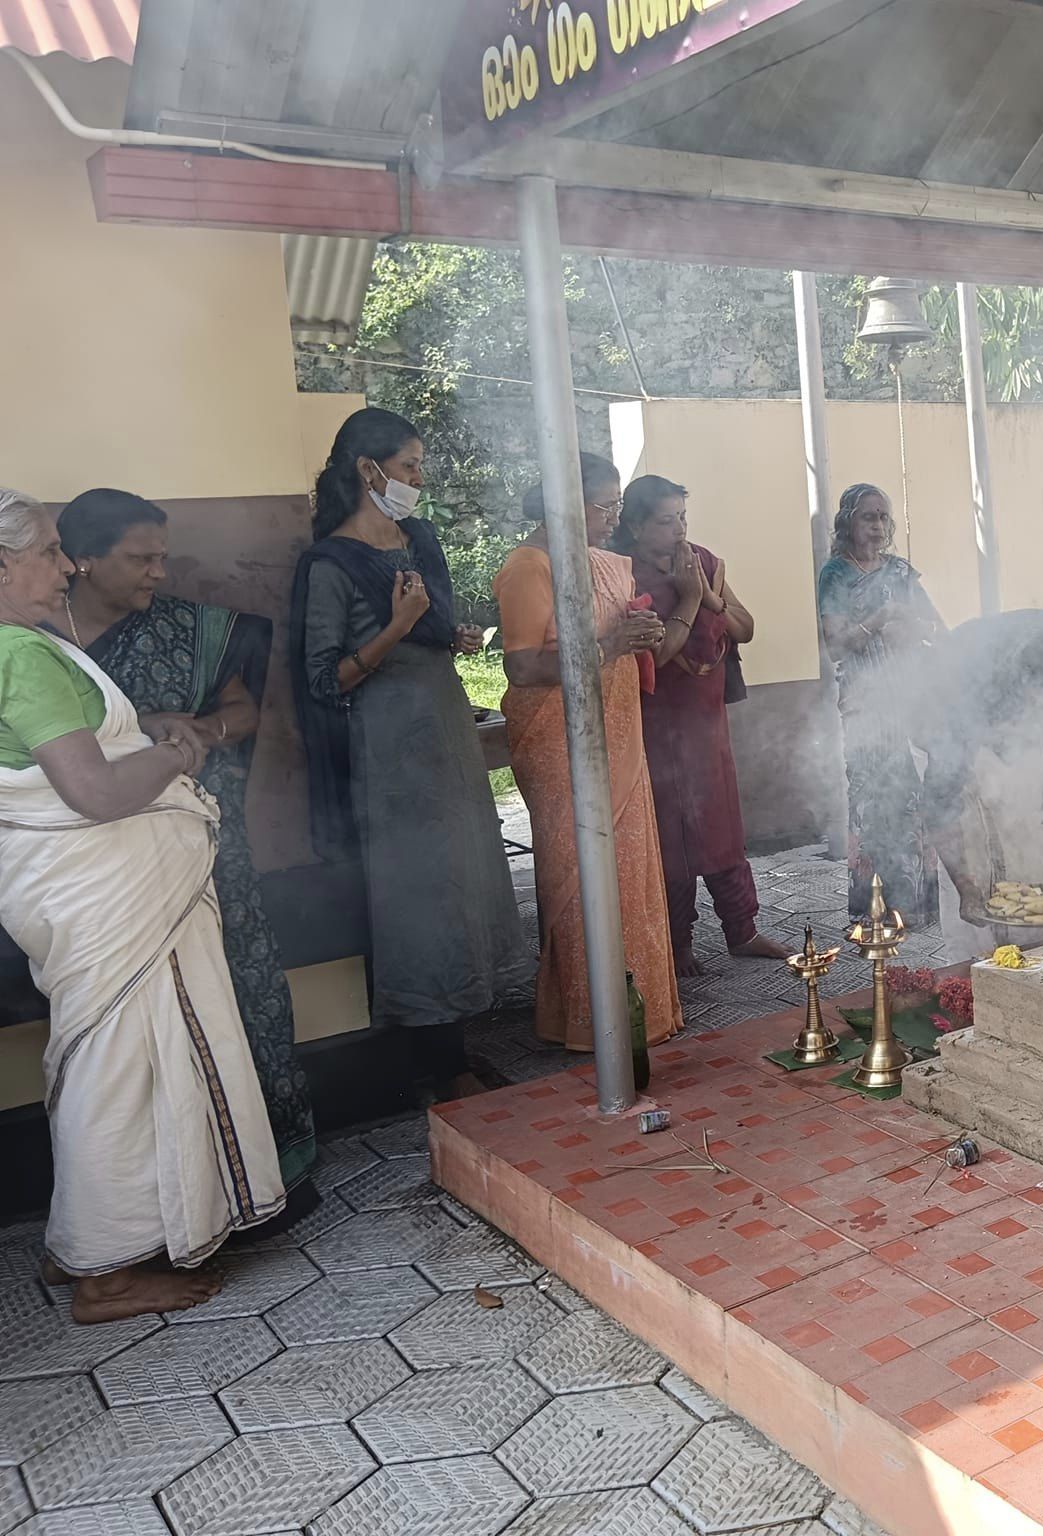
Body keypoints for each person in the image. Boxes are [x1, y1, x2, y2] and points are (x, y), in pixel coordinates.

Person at [0, 487, 285, 1321]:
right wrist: (177, 751)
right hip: (102, 891)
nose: (64, 565)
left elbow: (81, 745)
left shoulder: (27, 647)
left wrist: (151, 731)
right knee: (116, 1075)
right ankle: (107, 1274)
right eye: (51, 551)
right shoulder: (20, 654)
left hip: (95, 895)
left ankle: (82, 1244)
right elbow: (92, 790)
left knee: (105, 1068)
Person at [54, 488, 316, 1193]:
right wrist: (142, 734)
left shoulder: (189, 629)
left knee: (240, 984)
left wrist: (204, 732)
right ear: (81, 560)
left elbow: (242, 708)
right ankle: (170, 1191)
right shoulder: (37, 645)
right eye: (142, 559)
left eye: (163, 557)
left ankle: (268, 1169)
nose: (159, 574)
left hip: (201, 850)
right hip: (96, 865)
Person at [290, 407, 531, 1099]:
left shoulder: (417, 538)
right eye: (409, 467)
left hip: (445, 728)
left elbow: (432, 621)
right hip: (389, 746)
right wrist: (396, 629)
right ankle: (438, 1064)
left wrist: (447, 633)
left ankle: (462, 1043)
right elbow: (322, 679)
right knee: (419, 897)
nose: (419, 480)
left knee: (464, 881)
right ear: (368, 471)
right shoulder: (329, 564)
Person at [495, 458, 683, 1052]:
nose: (614, 517)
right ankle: (585, 1018)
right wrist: (606, 647)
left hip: (617, 732)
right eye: (603, 506)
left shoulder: (599, 562)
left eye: (615, 505)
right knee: (578, 874)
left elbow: (612, 635)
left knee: (630, 869)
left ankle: (641, 1010)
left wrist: (639, 631)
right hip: (562, 743)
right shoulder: (529, 566)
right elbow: (522, 667)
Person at [614, 475, 788, 978]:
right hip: (657, 724)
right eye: (666, 521)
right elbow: (660, 653)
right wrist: (691, 600)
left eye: (682, 518)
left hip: (708, 722)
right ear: (635, 524)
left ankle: (743, 930)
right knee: (672, 835)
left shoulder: (704, 562)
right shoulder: (624, 574)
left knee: (722, 826)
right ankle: (678, 942)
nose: (679, 529)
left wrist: (709, 597)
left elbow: (746, 628)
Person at [906, 609, 1043, 932]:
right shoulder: (958, 704)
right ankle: (976, 959)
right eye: (1040, 707)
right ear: (1025, 689)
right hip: (942, 721)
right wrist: (966, 888)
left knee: (1035, 844)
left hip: (998, 714)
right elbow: (940, 807)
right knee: (975, 855)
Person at [816, 483, 946, 926]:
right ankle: (873, 905)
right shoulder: (836, 574)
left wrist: (911, 625)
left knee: (909, 796)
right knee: (873, 797)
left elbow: (934, 626)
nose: (877, 525)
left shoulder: (899, 572)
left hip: (907, 696)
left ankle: (913, 902)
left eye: (883, 517)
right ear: (848, 523)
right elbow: (835, 644)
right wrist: (878, 620)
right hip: (865, 702)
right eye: (867, 516)